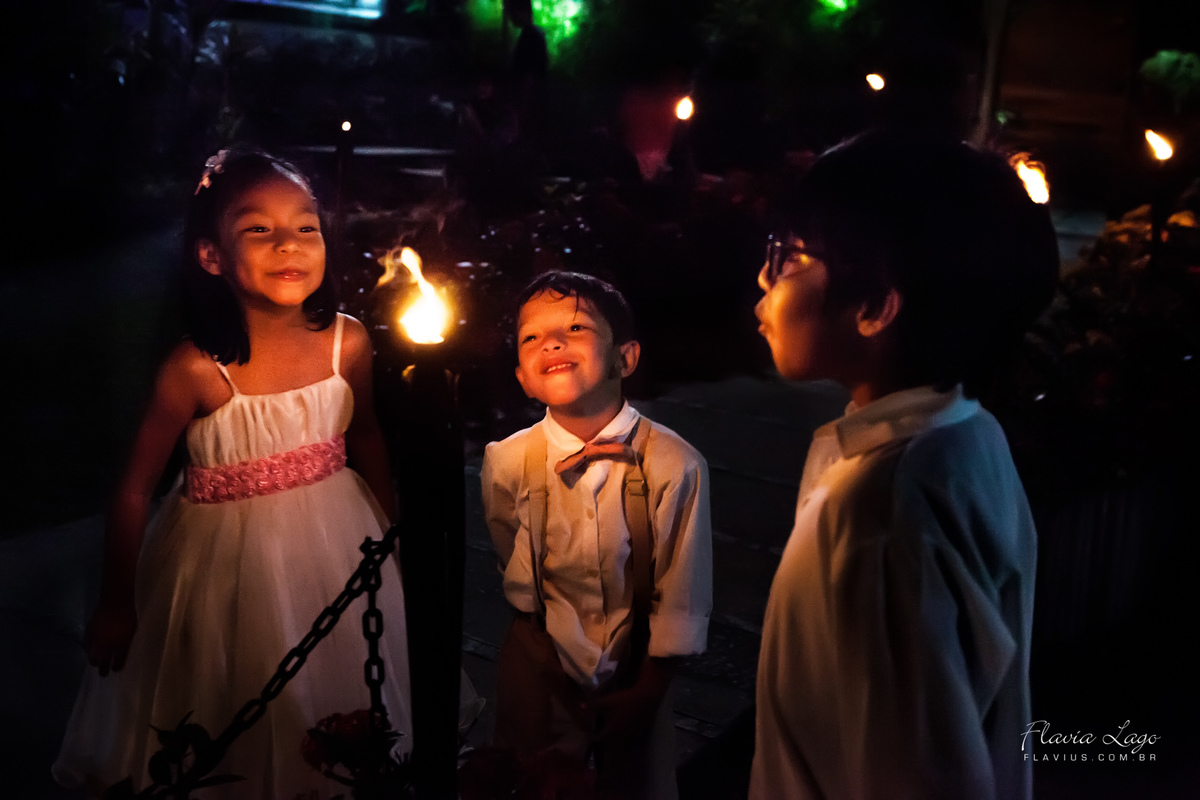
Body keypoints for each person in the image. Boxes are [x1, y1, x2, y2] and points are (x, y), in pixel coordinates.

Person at [53, 148, 412, 797]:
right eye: (259, 230)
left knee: (333, 691)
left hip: (336, 541)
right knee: (238, 692)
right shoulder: (194, 371)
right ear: (211, 256)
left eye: (306, 226)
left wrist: (388, 537)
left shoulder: (348, 343)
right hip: (224, 562)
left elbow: (367, 437)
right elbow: (135, 488)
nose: (289, 245)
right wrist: (116, 599)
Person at [749, 129, 1059, 799]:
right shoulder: (967, 433)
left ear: (875, 305)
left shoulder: (880, 518)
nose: (763, 278)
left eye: (790, 257)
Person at [480, 271, 713, 800]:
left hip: (637, 676)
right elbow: (507, 547)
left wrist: (651, 689)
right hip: (537, 666)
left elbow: (683, 591)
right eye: (531, 337)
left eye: (576, 327)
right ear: (521, 375)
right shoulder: (506, 461)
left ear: (625, 359)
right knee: (528, 781)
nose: (552, 342)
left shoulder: (675, 464)